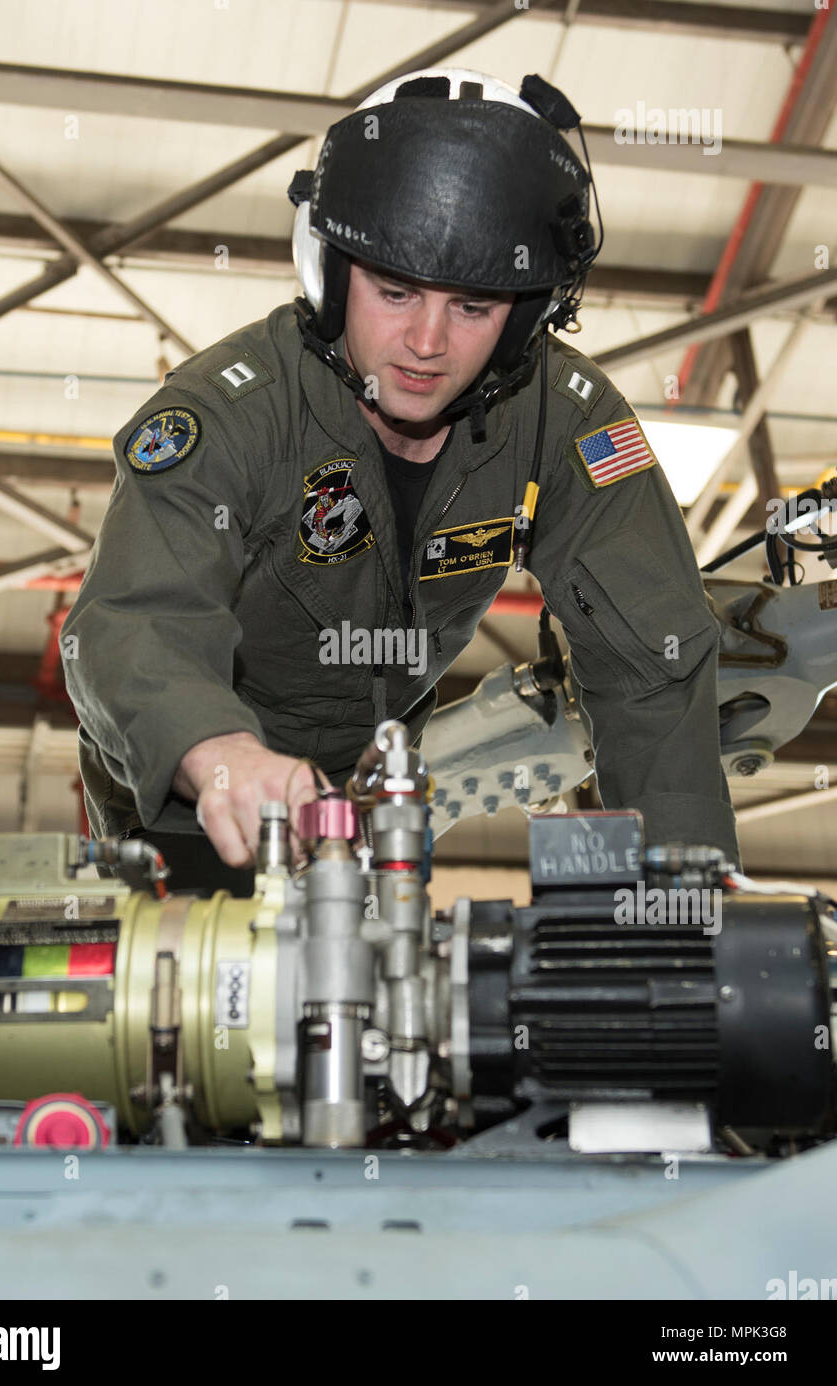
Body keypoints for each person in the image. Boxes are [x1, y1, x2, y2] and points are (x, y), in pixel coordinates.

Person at [61, 67, 739, 896]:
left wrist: (689, 908)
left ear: (526, 316)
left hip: (372, 791)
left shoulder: (566, 422)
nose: (426, 341)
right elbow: (134, 621)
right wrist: (220, 757)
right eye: (394, 291)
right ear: (331, 273)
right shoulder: (229, 415)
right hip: (188, 788)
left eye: (474, 307)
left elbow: (653, 669)